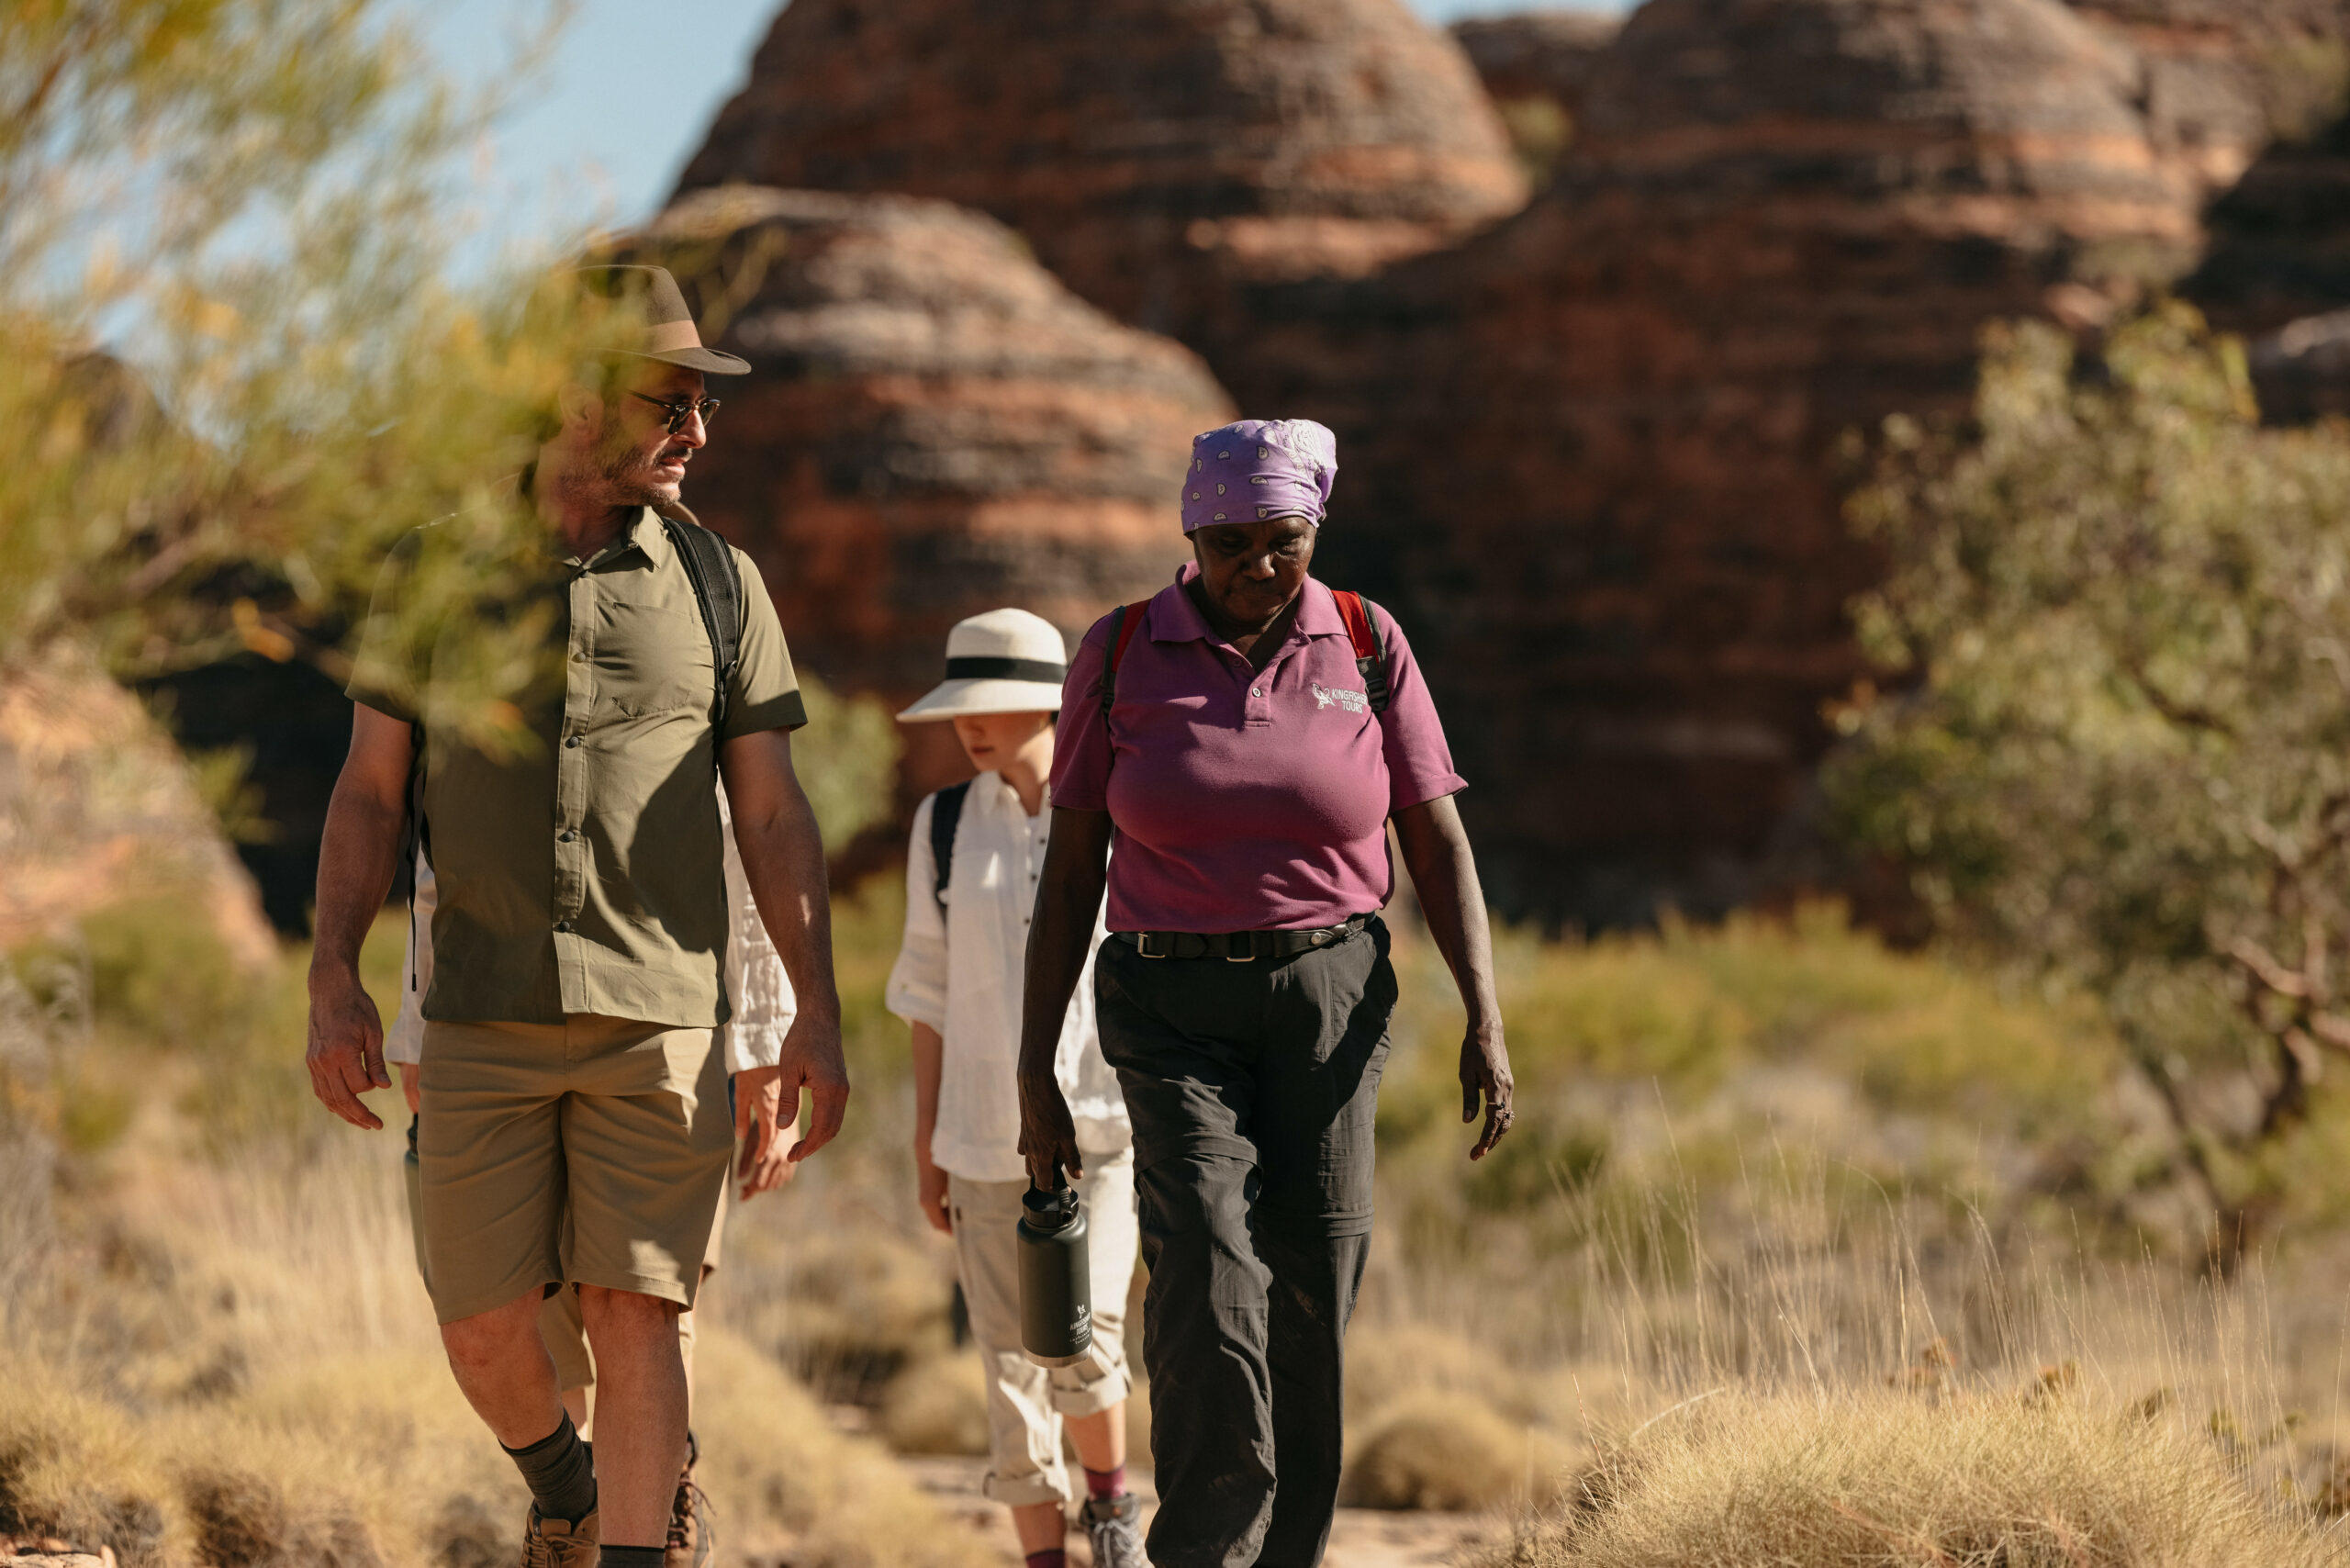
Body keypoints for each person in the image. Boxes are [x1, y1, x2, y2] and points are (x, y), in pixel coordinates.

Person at [306, 264, 850, 1568]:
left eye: (702, 406)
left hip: (661, 1016)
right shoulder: (433, 571)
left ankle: (632, 1546)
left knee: (637, 1310)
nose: (697, 430)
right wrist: (334, 970)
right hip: (480, 1008)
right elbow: (371, 793)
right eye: (671, 399)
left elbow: (772, 818)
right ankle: (567, 1487)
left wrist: (810, 1015)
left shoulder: (723, 584)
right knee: (482, 1330)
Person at [1017, 420, 1516, 1568]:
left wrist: (1484, 1017)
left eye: (1280, 539)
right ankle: (1205, 1552)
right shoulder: (1124, 647)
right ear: (1191, 535)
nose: (1255, 564)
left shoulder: (1366, 639)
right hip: (1166, 1001)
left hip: (1328, 1000)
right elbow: (1068, 868)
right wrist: (1032, 1065)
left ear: (1313, 530)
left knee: (1313, 1282)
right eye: (1229, 541)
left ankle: (1286, 1552)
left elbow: (1437, 842)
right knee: (1205, 1278)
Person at [388, 780, 801, 1568]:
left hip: (669, 1020)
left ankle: (657, 1495)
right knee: (534, 1301)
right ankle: (576, 1510)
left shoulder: (696, 659)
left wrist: (762, 1040)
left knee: (646, 1295)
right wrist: (416, 1019)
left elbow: (751, 855)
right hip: (499, 1021)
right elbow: (445, 850)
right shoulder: (494, 676)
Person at [885, 609, 1147, 1568]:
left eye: (989, 706)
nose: (968, 726)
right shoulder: (944, 823)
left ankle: (1112, 1516)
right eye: (959, 709)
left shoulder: (1124, 813)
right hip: (981, 1135)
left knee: (1084, 1332)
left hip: (1104, 1129)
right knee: (1007, 1371)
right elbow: (926, 991)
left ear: (1052, 705)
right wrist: (925, 1143)